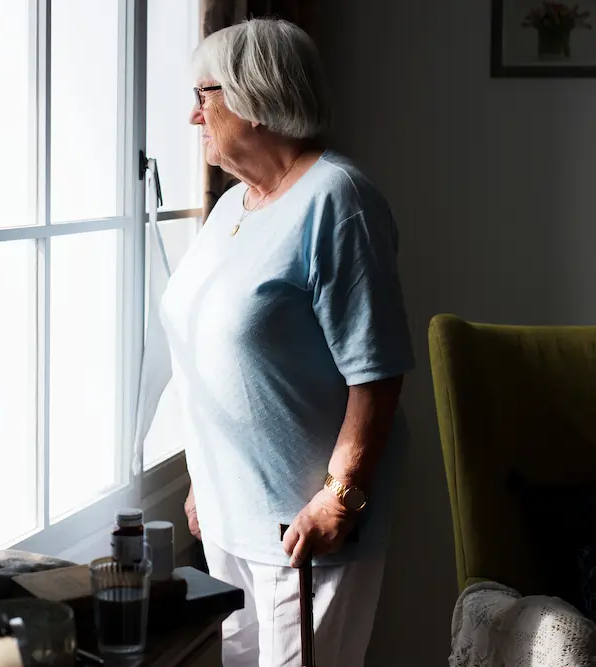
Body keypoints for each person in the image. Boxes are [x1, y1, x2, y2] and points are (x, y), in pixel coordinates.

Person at [160, 18, 415, 667]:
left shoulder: (338, 199)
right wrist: (202, 477)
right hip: (226, 517)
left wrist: (341, 494)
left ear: (254, 95)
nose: (195, 116)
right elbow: (214, 359)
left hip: (300, 530)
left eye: (204, 95)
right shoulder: (231, 208)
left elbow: (377, 373)